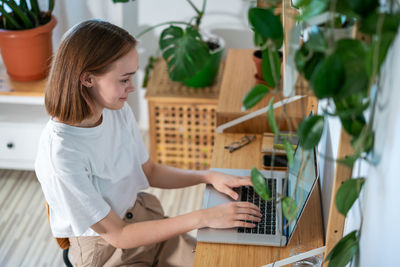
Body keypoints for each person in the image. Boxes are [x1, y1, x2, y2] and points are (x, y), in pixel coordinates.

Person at [35, 19, 262, 267]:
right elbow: (118, 235)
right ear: (87, 79)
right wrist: (204, 217)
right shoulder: (61, 155)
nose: (131, 88)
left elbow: (149, 171)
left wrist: (208, 176)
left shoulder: (114, 110)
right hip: (108, 252)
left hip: (144, 223)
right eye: (124, 79)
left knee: (226, 260)